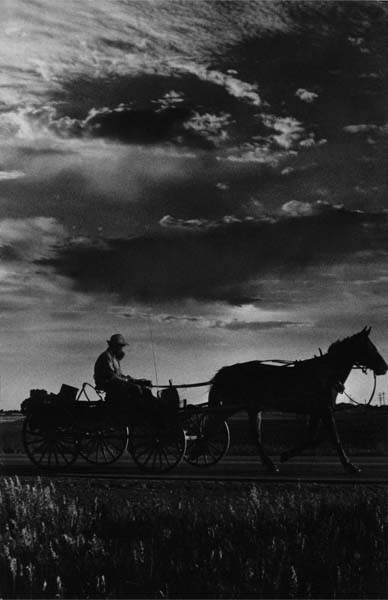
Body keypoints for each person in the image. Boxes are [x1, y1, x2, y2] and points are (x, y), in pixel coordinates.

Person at [94, 333, 153, 409]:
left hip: (116, 383)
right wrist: (131, 382)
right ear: (113, 346)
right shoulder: (106, 356)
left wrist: (135, 380)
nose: (121, 349)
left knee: (145, 389)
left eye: (122, 346)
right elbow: (112, 376)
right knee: (136, 389)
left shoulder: (115, 358)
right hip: (109, 384)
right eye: (119, 346)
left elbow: (119, 375)